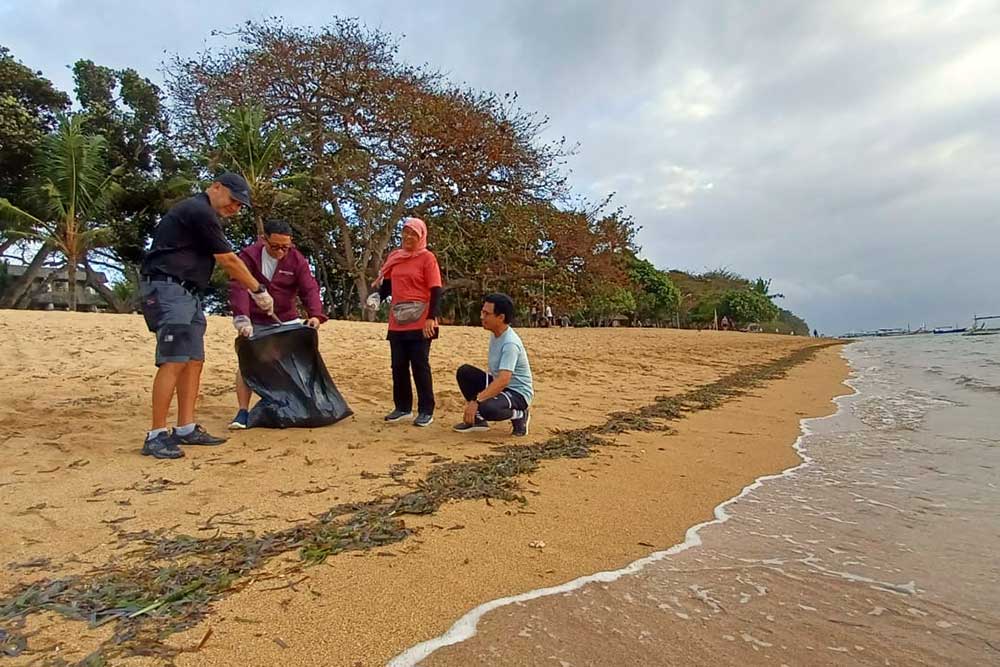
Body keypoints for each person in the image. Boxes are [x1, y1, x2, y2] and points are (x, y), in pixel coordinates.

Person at [139, 173, 276, 459]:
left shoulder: (203, 214)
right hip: (168, 289)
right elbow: (228, 260)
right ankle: (155, 434)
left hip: (189, 294)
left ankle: (185, 427)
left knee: (193, 361)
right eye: (233, 200)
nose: (235, 208)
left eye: (240, 205)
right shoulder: (199, 210)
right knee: (173, 361)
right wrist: (258, 290)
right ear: (216, 187)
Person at [227, 219, 328, 429]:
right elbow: (238, 286)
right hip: (254, 321)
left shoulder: (296, 260)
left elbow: (309, 287)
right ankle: (243, 412)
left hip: (285, 319)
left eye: (286, 246)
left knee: (295, 363)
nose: (281, 251)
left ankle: (301, 407)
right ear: (264, 240)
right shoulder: (248, 257)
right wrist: (242, 318)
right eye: (276, 246)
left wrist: (316, 315)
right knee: (248, 363)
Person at [367, 218, 442, 427]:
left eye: (413, 234)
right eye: (405, 232)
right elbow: (388, 284)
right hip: (398, 319)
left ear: (421, 236)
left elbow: (436, 289)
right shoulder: (395, 257)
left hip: (422, 319)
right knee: (398, 365)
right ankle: (402, 407)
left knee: (420, 365)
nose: (409, 237)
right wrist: (377, 297)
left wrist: (431, 318)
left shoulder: (428, 258)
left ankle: (426, 410)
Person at [453, 293, 534, 437]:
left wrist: (476, 401)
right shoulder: (496, 334)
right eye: (482, 312)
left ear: (501, 317)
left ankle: (520, 414)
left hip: (517, 393)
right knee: (465, 372)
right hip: (501, 385)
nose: (482, 317)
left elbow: (504, 380)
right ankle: (478, 421)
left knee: (487, 408)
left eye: (487, 313)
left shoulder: (510, 343)